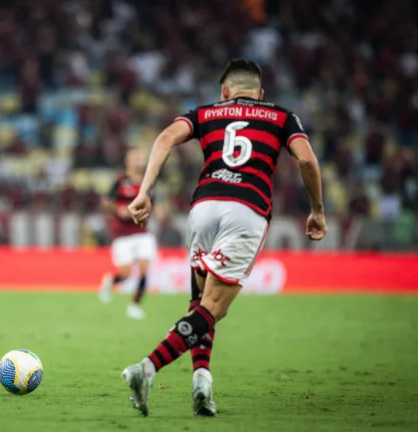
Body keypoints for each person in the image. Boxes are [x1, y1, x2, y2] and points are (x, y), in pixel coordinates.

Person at [120, 59, 327, 417]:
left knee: (200, 300)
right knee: (215, 308)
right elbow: (307, 162)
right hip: (246, 209)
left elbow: (166, 138)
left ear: (225, 91)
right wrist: (318, 209)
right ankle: (146, 368)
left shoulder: (204, 112)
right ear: (261, 94)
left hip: (203, 207)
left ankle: (202, 380)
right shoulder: (281, 116)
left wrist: (145, 191)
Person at [98, 148, 158, 320]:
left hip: (142, 232)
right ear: (127, 161)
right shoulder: (119, 181)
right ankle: (110, 282)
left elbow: (155, 203)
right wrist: (118, 209)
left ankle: (135, 306)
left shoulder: (149, 182)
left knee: (144, 270)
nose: (138, 160)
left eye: (140, 157)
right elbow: (106, 203)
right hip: (123, 234)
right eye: (134, 157)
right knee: (126, 274)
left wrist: (157, 211)